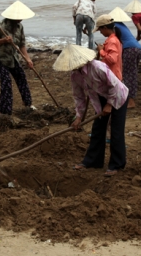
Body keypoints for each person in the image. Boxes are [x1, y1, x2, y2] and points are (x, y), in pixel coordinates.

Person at [54, 44, 129, 177]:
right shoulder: (75, 76)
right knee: (98, 129)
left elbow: (114, 86)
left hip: (118, 96)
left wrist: (110, 105)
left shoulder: (98, 67)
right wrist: (78, 117)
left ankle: (116, 164)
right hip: (100, 98)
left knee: (116, 131)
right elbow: (79, 96)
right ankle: (93, 161)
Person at [0, 1, 36, 115]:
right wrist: (3, 40)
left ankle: (28, 104)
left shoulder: (20, 27)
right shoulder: (0, 26)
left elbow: (22, 45)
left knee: (22, 78)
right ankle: (5, 110)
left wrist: (27, 59)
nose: (21, 19)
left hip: (14, 58)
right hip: (1, 59)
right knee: (6, 83)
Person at [110, 7, 141, 108]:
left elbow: (116, 43)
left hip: (129, 49)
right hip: (137, 48)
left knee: (128, 74)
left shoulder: (115, 27)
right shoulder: (121, 25)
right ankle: (128, 97)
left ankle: (131, 101)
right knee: (132, 73)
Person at [94, 14, 123, 80]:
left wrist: (101, 51)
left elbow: (112, 60)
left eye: (100, 30)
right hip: (113, 74)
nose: (101, 33)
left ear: (105, 28)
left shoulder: (112, 41)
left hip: (113, 76)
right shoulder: (114, 39)